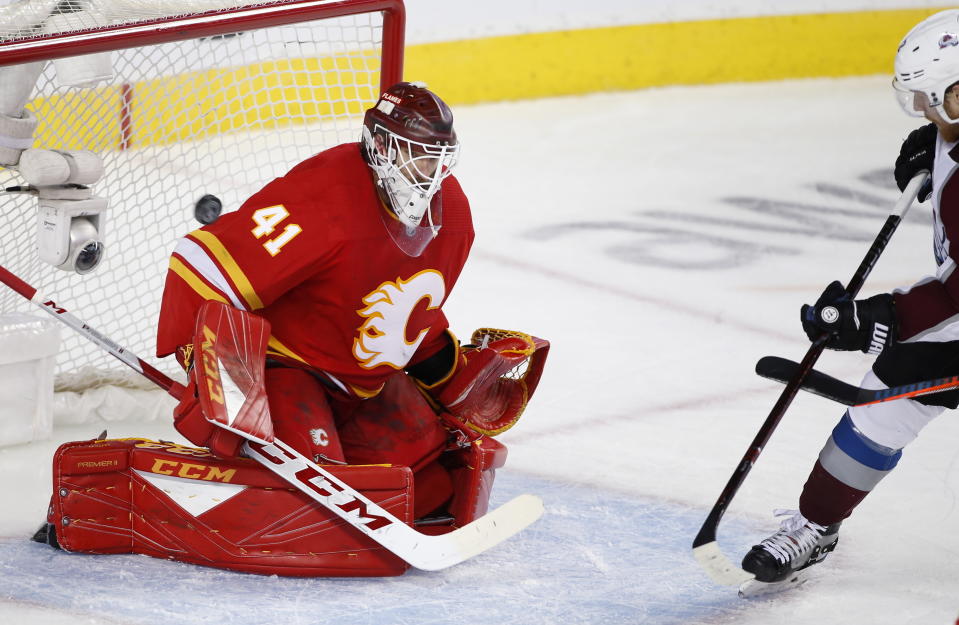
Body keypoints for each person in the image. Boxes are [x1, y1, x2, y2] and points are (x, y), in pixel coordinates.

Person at [157, 81, 501, 520]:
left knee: (432, 491)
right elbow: (199, 267)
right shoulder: (322, 197)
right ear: (380, 145)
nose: (428, 172)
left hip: (362, 382)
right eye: (417, 154)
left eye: (436, 157)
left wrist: (449, 371)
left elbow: (403, 310)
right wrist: (213, 371)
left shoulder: (453, 217)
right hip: (286, 367)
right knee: (316, 496)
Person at [741, 9, 959, 584]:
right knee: (888, 398)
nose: (924, 113)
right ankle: (815, 524)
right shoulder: (952, 137)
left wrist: (879, 318)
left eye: (933, 103)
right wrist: (935, 149)